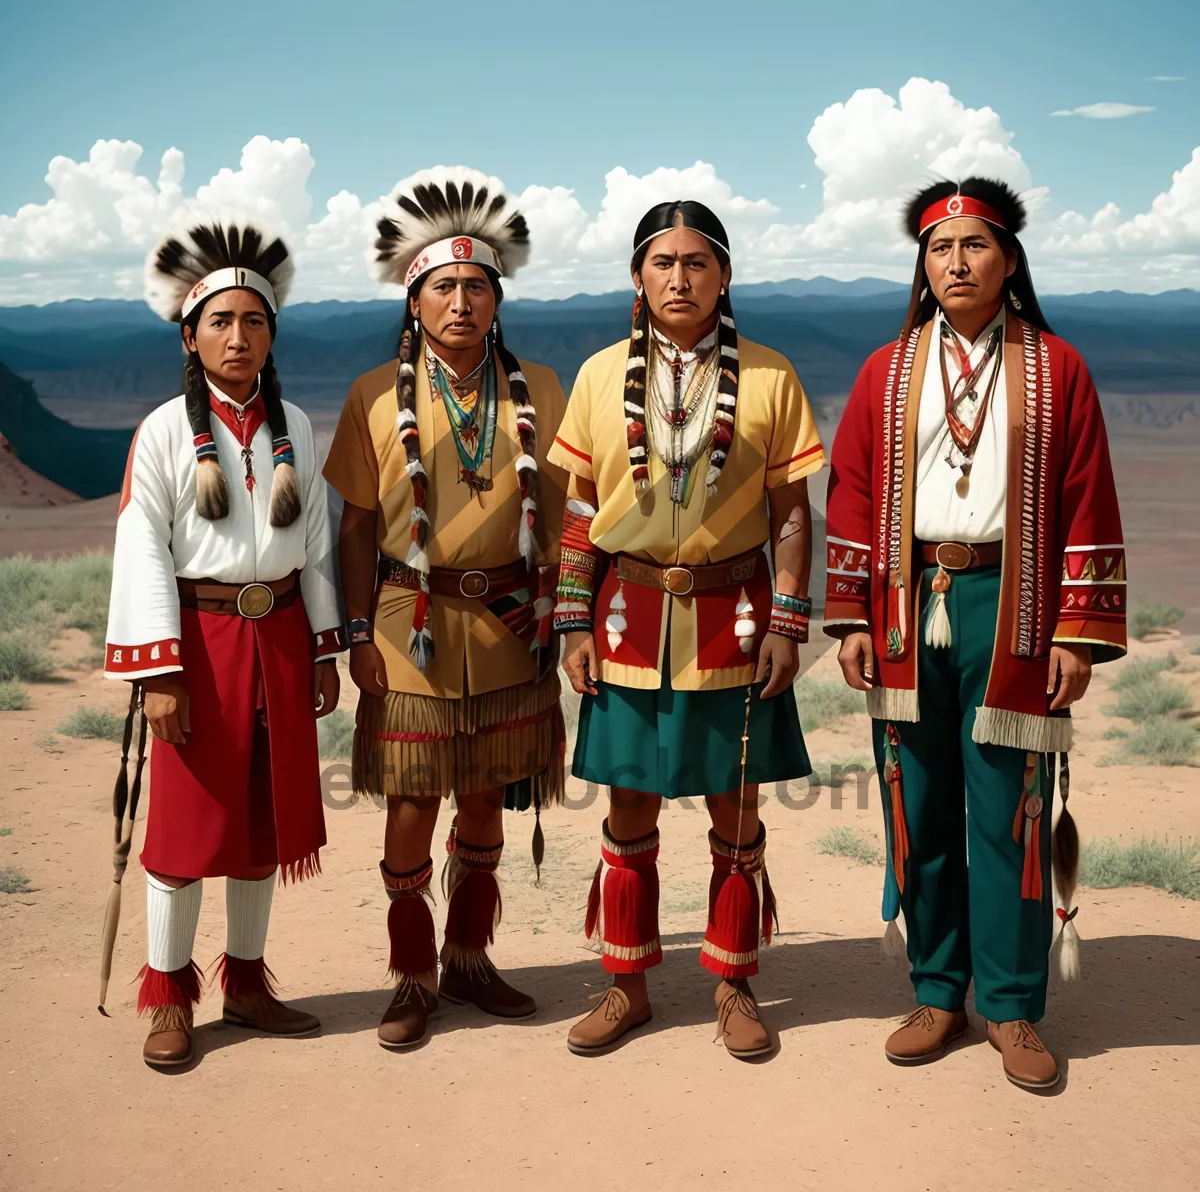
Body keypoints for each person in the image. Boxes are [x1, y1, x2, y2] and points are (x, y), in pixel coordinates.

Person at [825, 178, 1125, 1090]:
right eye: (939, 248)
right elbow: (852, 489)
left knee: (1009, 813)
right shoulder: (887, 370)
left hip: (1017, 605)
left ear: (1009, 260)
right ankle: (937, 989)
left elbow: (1085, 495)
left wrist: (1076, 629)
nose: (956, 262)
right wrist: (853, 618)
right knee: (917, 807)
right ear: (921, 264)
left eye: (975, 246)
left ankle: (1012, 1004)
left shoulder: (1056, 367)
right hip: (911, 599)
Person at [547, 200, 824, 1059]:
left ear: (725, 276)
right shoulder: (598, 377)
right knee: (628, 802)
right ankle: (625, 985)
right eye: (662, 263)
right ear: (637, 277)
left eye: (697, 263)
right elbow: (581, 508)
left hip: (732, 621)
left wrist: (787, 619)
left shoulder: (771, 378)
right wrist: (571, 621)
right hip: (626, 616)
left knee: (734, 803)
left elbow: (790, 514)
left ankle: (734, 983)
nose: (679, 277)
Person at [323, 167, 569, 1050]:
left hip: (509, 624)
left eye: (475, 287)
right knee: (412, 803)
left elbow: (571, 514)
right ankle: (413, 974)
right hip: (406, 623)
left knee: (482, 798)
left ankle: (470, 958)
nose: (460, 303)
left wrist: (560, 617)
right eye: (442, 288)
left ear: (496, 302)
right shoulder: (370, 395)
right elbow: (353, 528)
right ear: (413, 303)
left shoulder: (541, 385)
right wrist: (356, 635)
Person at [104, 219, 344, 1069]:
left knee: (258, 819)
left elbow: (313, 542)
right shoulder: (165, 431)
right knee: (183, 826)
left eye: (254, 321)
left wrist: (321, 648)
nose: (237, 337)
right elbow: (142, 547)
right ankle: (169, 995)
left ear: (271, 333)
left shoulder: (299, 430)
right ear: (190, 334)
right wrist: (158, 671)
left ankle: (245, 986)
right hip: (199, 647)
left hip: (277, 638)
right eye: (220, 322)